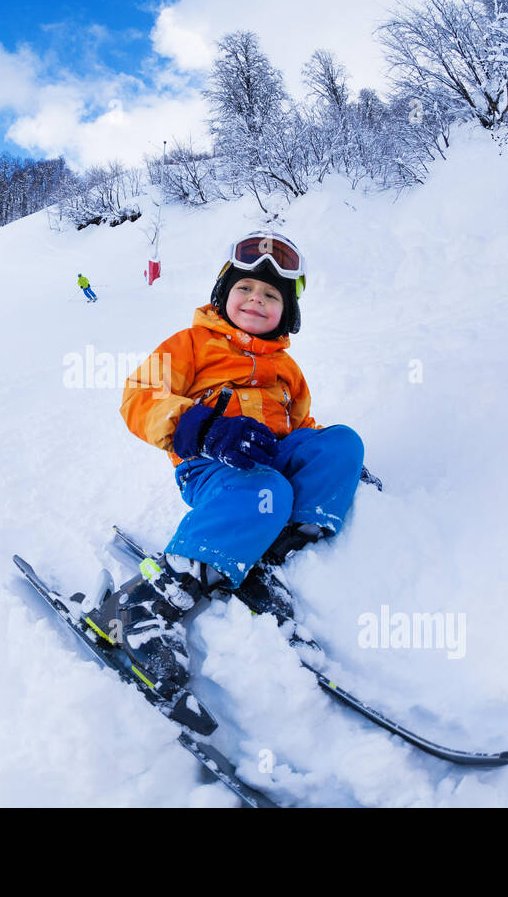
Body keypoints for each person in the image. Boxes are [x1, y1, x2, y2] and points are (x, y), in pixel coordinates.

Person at [115, 231, 365, 697]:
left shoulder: (287, 369)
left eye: (271, 295)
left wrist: (335, 463)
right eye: (244, 288)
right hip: (213, 467)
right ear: (223, 294)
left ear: (285, 312)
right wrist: (201, 428)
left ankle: (269, 552)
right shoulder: (191, 343)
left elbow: (300, 424)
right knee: (262, 492)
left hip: (270, 462)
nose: (256, 299)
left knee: (343, 443)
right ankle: (154, 602)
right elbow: (140, 397)